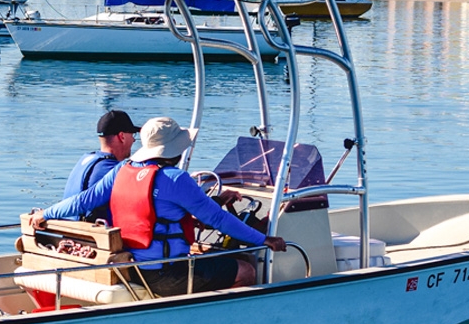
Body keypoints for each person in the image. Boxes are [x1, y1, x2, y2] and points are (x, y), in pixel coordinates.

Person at [34, 117, 286, 297]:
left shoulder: (122, 169)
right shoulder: (176, 179)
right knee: (245, 270)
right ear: (176, 149)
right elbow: (217, 220)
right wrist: (263, 239)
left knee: (216, 262)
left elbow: (83, 201)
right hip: (165, 275)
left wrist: (46, 213)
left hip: (132, 267)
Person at [62, 110, 142, 222]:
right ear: (121, 136)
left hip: (68, 230)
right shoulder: (113, 170)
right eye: (132, 135)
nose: (134, 140)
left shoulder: (86, 160)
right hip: (91, 236)